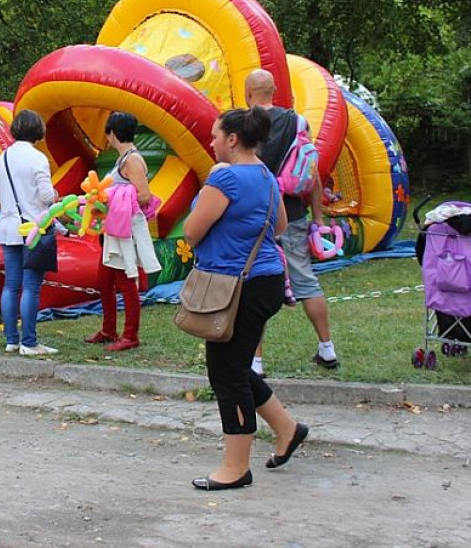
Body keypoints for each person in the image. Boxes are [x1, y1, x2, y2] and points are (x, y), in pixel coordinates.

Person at [183, 107, 308, 491]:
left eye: (216, 135)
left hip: (238, 285)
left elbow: (191, 232)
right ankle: (287, 429)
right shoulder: (266, 175)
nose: (212, 141)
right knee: (235, 366)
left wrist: (212, 188)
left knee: (227, 373)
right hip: (263, 281)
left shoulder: (226, 179)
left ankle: (236, 467)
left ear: (233, 139)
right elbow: (281, 226)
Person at [245, 69, 340, 373]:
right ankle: (327, 348)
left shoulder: (242, 124)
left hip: (255, 216)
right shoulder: (297, 123)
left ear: (248, 93)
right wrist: (319, 216)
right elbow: (311, 174)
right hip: (294, 214)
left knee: (254, 286)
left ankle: (256, 362)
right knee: (306, 280)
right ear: (274, 90)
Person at [84, 112, 162, 352]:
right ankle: (109, 329)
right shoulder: (124, 159)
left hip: (124, 232)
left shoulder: (132, 160)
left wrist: (114, 200)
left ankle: (130, 335)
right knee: (104, 282)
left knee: (126, 282)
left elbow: (145, 196)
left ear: (112, 134)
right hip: (112, 230)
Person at [0, 110, 59, 357]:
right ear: (38, 130)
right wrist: (55, 197)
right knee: (31, 286)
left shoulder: (3, 157)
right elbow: (46, 195)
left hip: (9, 227)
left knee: (11, 285)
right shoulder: (37, 158)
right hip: (34, 228)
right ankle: (29, 342)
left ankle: (11, 339)